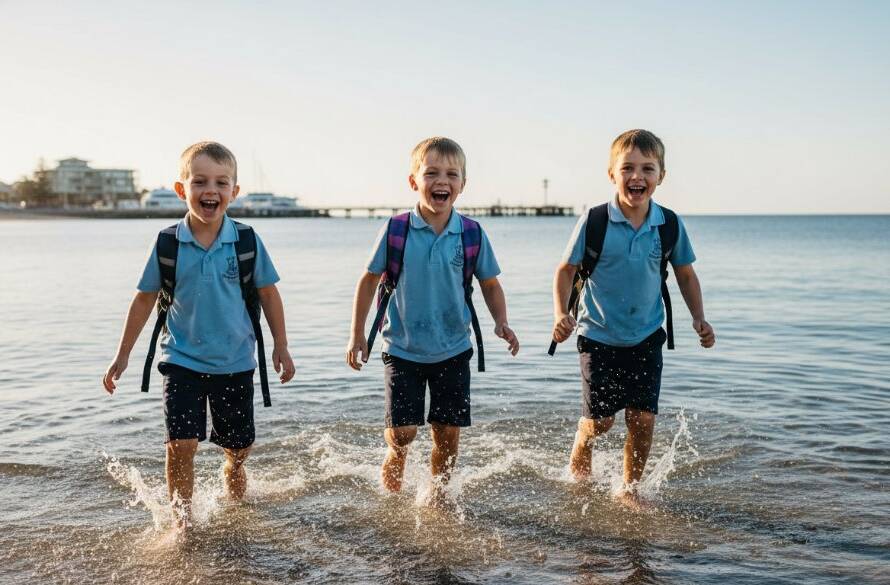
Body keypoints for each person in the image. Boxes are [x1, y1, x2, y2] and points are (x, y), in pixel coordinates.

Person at [102, 141, 295, 531]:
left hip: (236, 361)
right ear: (181, 189)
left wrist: (281, 346)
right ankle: (182, 525)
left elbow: (269, 294)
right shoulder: (168, 243)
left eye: (222, 182)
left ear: (234, 192)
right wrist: (122, 355)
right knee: (181, 444)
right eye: (201, 181)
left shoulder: (246, 242)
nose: (211, 190)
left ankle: (234, 472)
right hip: (181, 360)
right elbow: (144, 300)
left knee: (237, 447)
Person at [347, 136, 519, 499]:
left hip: (454, 347)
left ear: (462, 185)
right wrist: (357, 334)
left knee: (447, 432)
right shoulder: (397, 230)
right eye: (432, 173)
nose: (442, 180)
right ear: (414, 182)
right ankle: (394, 471)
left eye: (451, 174)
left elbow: (489, 283)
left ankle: (437, 497)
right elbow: (367, 282)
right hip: (403, 347)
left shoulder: (470, 233)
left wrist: (501, 321)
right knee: (403, 433)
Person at [551, 129, 715, 509]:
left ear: (661, 176)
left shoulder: (669, 224)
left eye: (647, 168)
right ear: (612, 174)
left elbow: (686, 274)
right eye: (627, 168)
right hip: (598, 336)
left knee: (642, 419)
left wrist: (699, 319)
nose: (637, 176)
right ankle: (583, 440)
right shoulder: (595, 221)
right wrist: (562, 313)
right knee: (601, 422)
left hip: (646, 335)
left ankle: (629, 488)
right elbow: (565, 270)